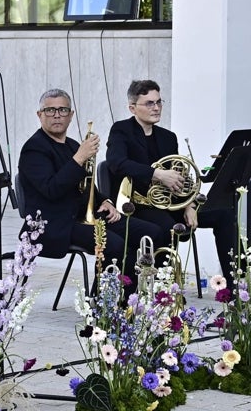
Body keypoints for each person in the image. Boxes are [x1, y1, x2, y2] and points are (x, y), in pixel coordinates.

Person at [18, 89, 165, 289]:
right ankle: (103, 306)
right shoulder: (34, 149)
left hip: (84, 218)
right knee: (115, 245)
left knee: (151, 232)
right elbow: (51, 189)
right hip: (54, 223)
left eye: (62, 110)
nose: (57, 115)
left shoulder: (71, 145)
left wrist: (104, 201)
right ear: (39, 115)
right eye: (50, 110)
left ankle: (133, 298)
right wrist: (79, 158)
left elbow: (86, 185)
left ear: (71, 115)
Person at [105, 80, 239, 283]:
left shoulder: (168, 137)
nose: (156, 108)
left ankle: (235, 285)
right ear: (132, 108)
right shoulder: (121, 130)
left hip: (172, 204)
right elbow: (116, 163)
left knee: (224, 215)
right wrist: (156, 174)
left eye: (159, 102)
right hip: (139, 205)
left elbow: (179, 177)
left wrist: (189, 206)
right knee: (168, 227)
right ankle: (165, 290)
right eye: (149, 103)